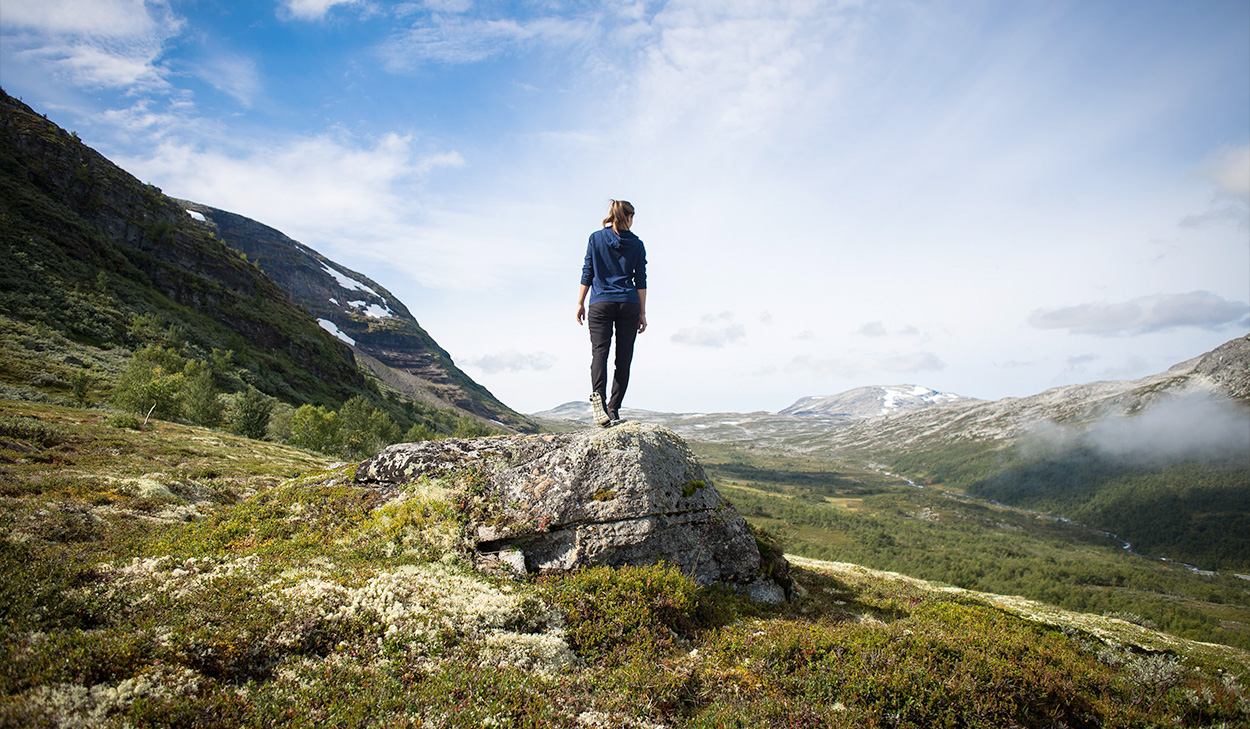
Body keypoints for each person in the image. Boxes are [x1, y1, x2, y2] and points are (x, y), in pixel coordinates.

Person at [576, 199, 647, 427]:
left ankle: (599, 401)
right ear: (628, 217)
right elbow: (641, 280)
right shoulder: (637, 244)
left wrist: (580, 302)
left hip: (600, 303)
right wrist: (643, 312)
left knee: (600, 353)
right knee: (623, 358)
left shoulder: (596, 238)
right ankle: (613, 408)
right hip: (628, 302)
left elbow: (588, 270)